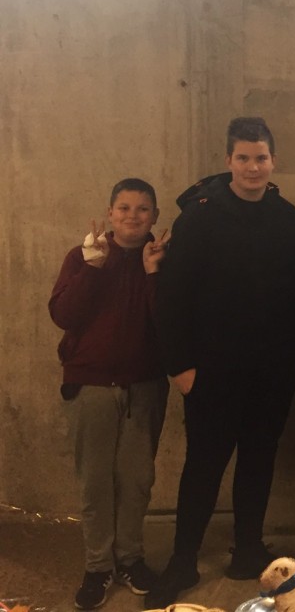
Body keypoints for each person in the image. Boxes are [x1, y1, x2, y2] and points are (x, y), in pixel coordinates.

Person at [147, 117, 295, 607]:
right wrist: (179, 366)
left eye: (260, 157)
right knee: (203, 465)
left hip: (273, 373)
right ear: (228, 161)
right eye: (243, 158)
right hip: (210, 372)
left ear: (273, 161)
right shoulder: (199, 217)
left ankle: (248, 550)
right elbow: (173, 297)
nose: (252, 167)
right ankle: (183, 560)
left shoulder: (288, 219)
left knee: (259, 461)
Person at [49, 179, 170, 610]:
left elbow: (169, 327)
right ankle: (98, 566)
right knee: (95, 482)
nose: (132, 216)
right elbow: (64, 315)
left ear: (155, 216)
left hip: (145, 385)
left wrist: (154, 274)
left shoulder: (164, 260)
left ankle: (130, 559)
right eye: (124, 208)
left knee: (137, 481)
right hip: (91, 385)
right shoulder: (83, 257)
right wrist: (93, 269)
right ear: (110, 213)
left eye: (142, 209)